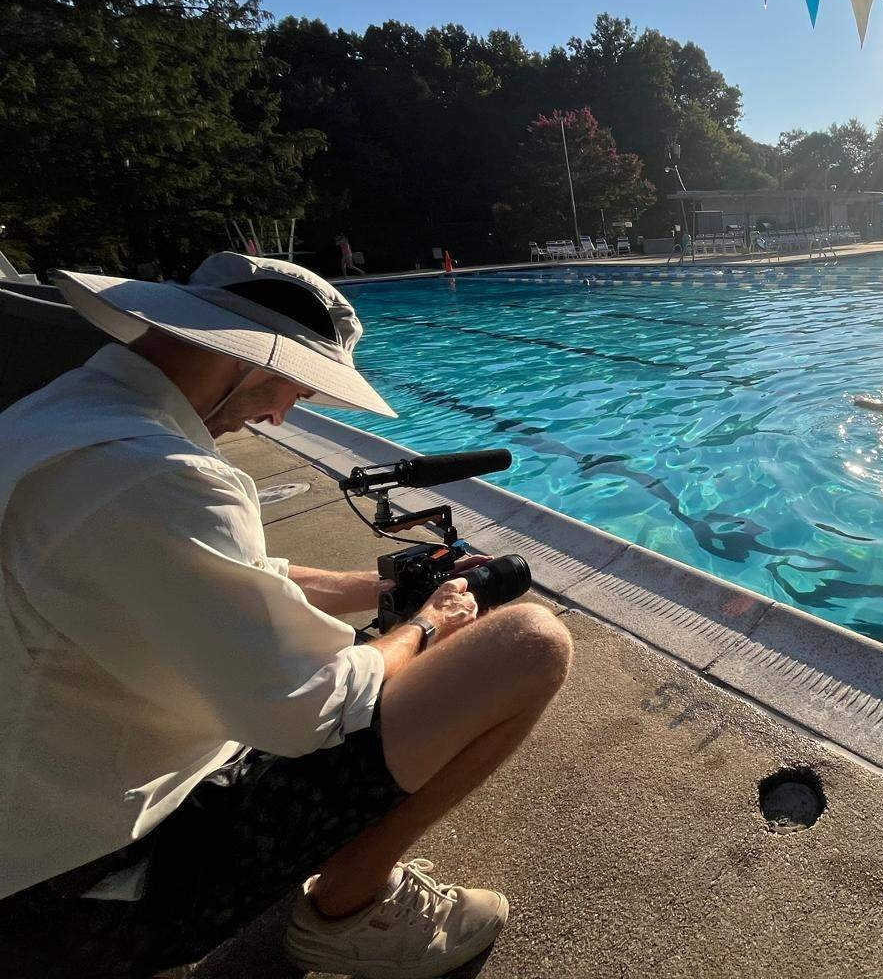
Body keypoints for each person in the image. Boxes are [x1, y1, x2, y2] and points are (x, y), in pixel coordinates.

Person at [0, 251, 572, 979]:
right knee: (530, 643)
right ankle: (351, 913)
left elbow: (232, 578)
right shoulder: (158, 476)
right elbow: (311, 707)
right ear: (243, 360)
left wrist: (381, 585)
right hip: (85, 903)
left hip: (36, 839)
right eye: (294, 389)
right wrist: (428, 623)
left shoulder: (57, 419)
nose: (280, 415)